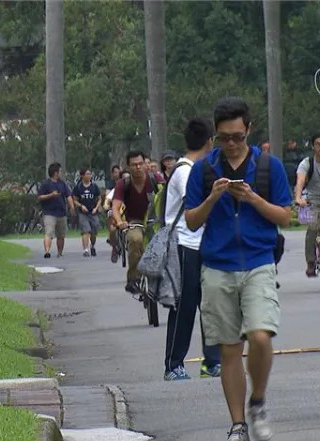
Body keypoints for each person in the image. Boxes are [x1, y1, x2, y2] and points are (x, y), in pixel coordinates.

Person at [184, 97, 292, 441]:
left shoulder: (268, 167)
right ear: (215, 137)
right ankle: (237, 425)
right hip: (217, 266)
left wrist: (253, 200)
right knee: (230, 350)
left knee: (260, 336)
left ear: (248, 130)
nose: (231, 144)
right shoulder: (203, 171)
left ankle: (257, 400)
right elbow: (191, 221)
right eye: (224, 138)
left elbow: (285, 217)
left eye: (237, 136)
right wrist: (213, 198)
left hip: (259, 261)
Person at [162, 120, 221, 381]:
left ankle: (212, 362)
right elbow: (196, 207)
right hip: (185, 245)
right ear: (210, 141)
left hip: (202, 245)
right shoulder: (187, 171)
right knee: (184, 307)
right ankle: (174, 364)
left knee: (210, 305)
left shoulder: (195, 168)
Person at [112, 151, 158, 293]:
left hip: (155, 221)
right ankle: (133, 278)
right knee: (135, 239)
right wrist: (120, 222)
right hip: (134, 222)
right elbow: (115, 207)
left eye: (140, 164)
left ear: (145, 164)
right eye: (134, 165)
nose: (138, 167)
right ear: (128, 167)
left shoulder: (155, 179)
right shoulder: (123, 184)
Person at [295, 131, 320, 277]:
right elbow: (300, 182)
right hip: (312, 200)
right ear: (313, 146)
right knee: (312, 228)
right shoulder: (307, 163)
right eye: (317, 144)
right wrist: (299, 198)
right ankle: (310, 263)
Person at [36, 162, 75, 258]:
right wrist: (51, 195)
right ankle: (47, 251)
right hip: (49, 212)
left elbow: (68, 195)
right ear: (55, 172)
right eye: (60, 171)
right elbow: (40, 197)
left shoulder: (63, 184)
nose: (61, 173)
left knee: (61, 235)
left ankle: (60, 253)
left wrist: (72, 207)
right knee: (49, 232)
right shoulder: (46, 184)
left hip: (61, 212)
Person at [73, 169, 102, 256]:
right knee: (86, 231)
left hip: (93, 212)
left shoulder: (94, 187)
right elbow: (74, 200)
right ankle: (85, 250)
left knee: (93, 232)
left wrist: (96, 208)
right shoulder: (78, 187)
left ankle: (92, 246)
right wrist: (81, 206)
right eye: (87, 174)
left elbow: (99, 199)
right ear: (82, 176)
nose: (89, 176)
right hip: (83, 213)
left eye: (90, 174)